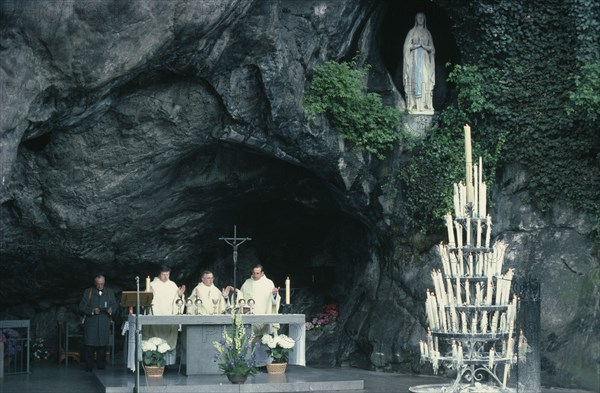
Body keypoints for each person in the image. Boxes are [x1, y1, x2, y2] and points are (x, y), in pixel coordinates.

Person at [144, 266, 186, 366]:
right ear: (159, 274)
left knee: (167, 342)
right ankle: (153, 364)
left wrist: (180, 295)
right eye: (164, 274)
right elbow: (145, 302)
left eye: (168, 274)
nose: (166, 277)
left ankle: (167, 364)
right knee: (154, 340)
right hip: (156, 320)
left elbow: (178, 302)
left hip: (168, 319)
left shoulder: (172, 285)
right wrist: (149, 294)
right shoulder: (152, 285)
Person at [78, 274, 117, 372]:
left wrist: (111, 310)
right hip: (91, 322)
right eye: (98, 284)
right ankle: (88, 366)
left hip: (104, 322)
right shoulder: (88, 292)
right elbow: (81, 307)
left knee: (102, 344)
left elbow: (115, 305)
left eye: (102, 284)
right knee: (89, 345)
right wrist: (92, 310)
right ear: (95, 283)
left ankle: (101, 366)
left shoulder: (109, 292)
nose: (100, 286)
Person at [403, 12, 435, 114]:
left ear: (424, 19)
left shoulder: (428, 33)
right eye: (418, 17)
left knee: (425, 80)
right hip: (414, 60)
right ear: (416, 19)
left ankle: (425, 105)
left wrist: (424, 46)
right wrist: (417, 46)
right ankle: (414, 104)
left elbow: (432, 49)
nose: (420, 19)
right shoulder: (412, 32)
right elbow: (406, 47)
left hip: (425, 60)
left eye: (422, 17)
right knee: (414, 80)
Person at [239, 264, 281, 335]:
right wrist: (237, 292)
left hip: (264, 316)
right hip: (249, 318)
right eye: (253, 273)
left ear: (262, 273)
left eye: (257, 273)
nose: (255, 275)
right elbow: (241, 298)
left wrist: (274, 294)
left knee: (264, 339)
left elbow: (274, 301)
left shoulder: (268, 283)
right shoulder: (247, 283)